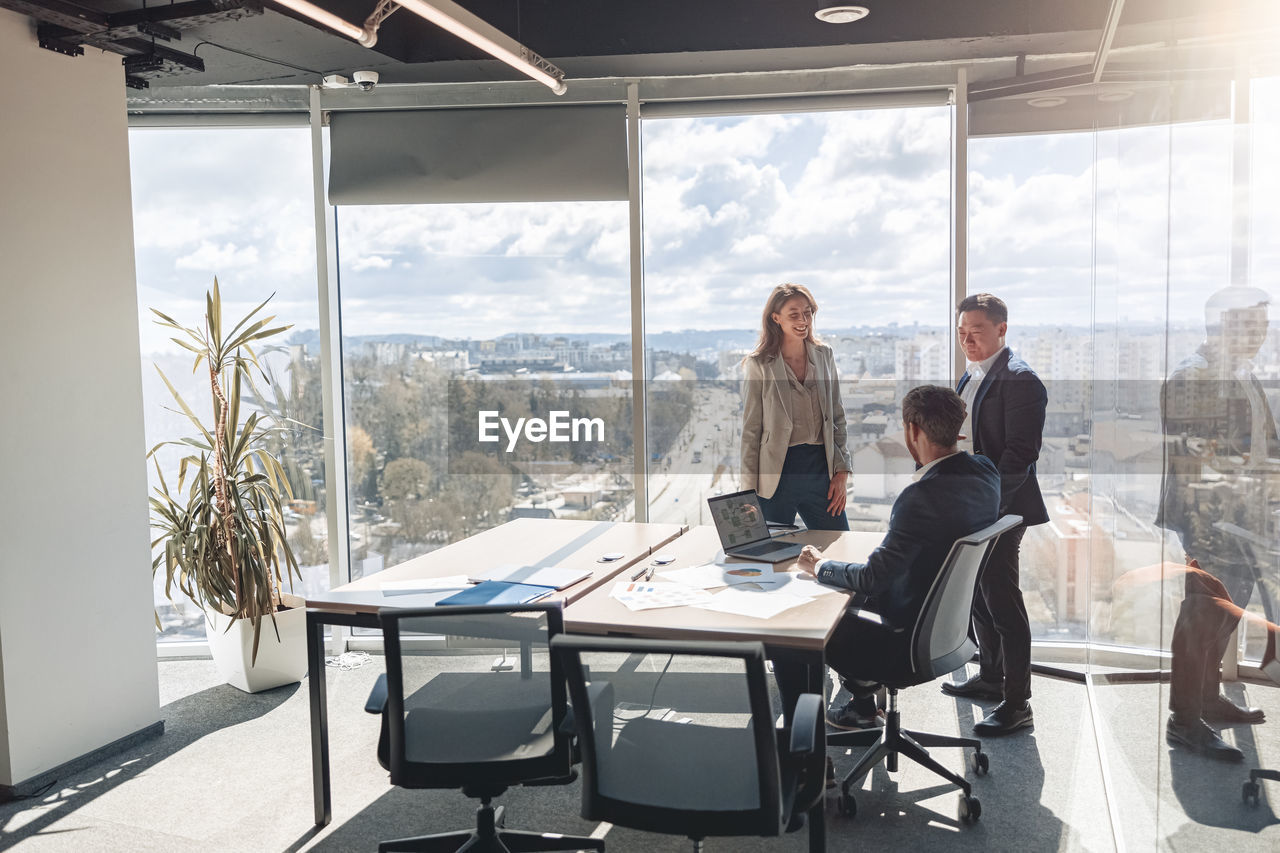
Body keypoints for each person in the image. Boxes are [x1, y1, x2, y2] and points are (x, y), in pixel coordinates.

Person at [773, 385, 1000, 729]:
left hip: (901, 642)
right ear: (958, 427)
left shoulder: (919, 497)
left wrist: (819, 565)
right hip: (947, 631)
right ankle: (861, 706)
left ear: (912, 431)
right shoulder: (986, 472)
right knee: (853, 596)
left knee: (793, 632)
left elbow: (871, 578)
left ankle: (805, 750)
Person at [1156, 285, 1275, 760]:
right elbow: (1198, 461)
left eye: (1264, 327)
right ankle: (1184, 720)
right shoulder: (1195, 378)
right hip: (1212, 522)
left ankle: (1207, 698)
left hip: (1244, 519)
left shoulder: (1239, 374)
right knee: (1200, 621)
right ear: (1224, 325)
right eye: (1252, 326)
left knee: (1224, 617)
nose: (1261, 336)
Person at [939, 293, 1047, 736]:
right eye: (962, 332)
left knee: (1002, 600)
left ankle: (1018, 703)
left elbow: (1021, 455)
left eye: (976, 332)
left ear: (1002, 329)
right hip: (972, 504)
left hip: (1002, 508)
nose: (967, 340)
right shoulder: (973, 373)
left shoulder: (1021, 380)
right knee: (979, 594)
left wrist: (988, 506)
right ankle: (990, 677)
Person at [740, 283, 851, 531]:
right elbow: (750, 432)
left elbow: (837, 417)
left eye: (808, 312)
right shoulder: (759, 364)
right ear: (776, 318)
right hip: (775, 479)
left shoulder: (824, 355)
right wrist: (747, 493)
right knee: (770, 558)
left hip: (821, 473)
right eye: (794, 314)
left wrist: (842, 472)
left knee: (839, 547)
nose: (803, 320)